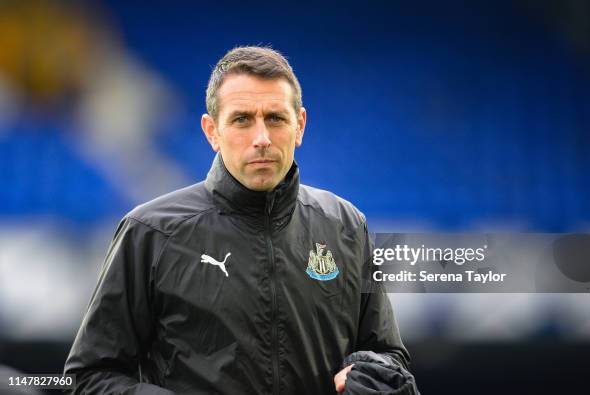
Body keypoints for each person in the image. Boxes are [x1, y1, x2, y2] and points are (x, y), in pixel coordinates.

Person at [64, 46, 418, 394]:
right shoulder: (150, 232)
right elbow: (89, 377)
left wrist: (374, 379)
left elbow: (389, 358)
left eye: (276, 118)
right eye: (242, 119)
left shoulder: (347, 226)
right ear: (212, 131)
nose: (261, 138)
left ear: (300, 126)